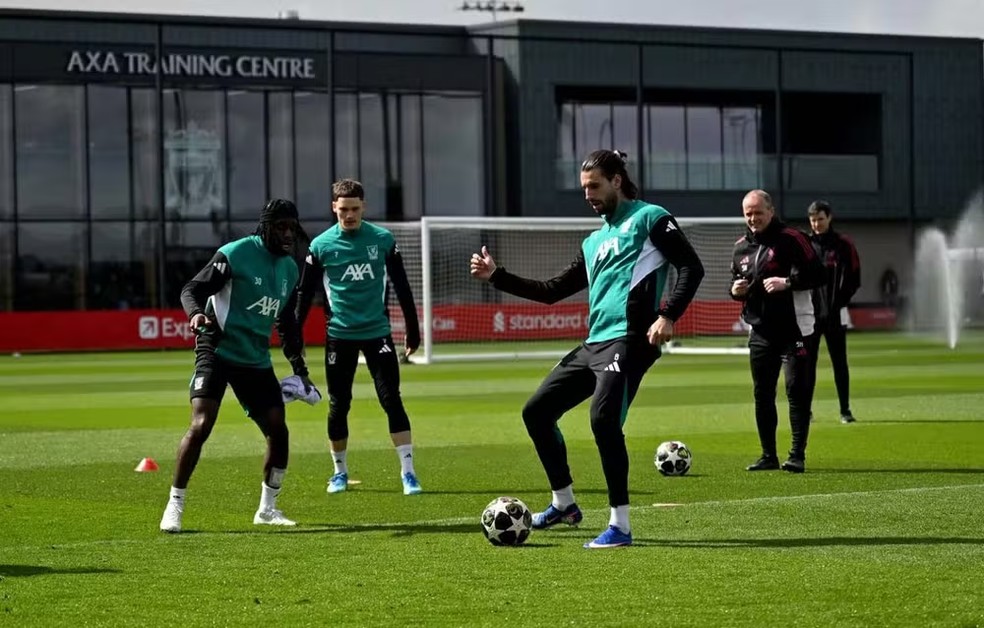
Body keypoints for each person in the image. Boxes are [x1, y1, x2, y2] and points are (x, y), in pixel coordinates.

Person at [470, 150, 705, 549]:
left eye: (594, 186)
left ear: (617, 181)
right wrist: (497, 276)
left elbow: (691, 267)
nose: (588, 195)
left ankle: (620, 526)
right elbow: (553, 291)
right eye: (583, 188)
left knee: (603, 419)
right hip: (594, 342)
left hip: (630, 339)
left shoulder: (650, 218)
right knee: (536, 412)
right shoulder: (594, 240)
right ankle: (564, 504)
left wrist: (667, 315)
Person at [159, 199, 313, 533]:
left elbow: (287, 323)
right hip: (217, 347)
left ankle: (268, 509)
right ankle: (175, 505)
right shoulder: (235, 253)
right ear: (265, 227)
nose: (288, 234)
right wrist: (196, 314)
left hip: (254, 358)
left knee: (278, 430)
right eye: (281, 227)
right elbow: (192, 289)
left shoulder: (290, 268)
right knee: (202, 423)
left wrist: (300, 370)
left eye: (292, 227)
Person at [296, 178, 423, 496]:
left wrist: (413, 328)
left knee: (391, 399)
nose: (349, 215)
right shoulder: (320, 245)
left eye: (354, 208)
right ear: (334, 208)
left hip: (377, 334)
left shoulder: (383, 239)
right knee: (339, 405)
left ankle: (409, 474)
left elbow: (402, 286)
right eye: (343, 210)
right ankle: (339, 473)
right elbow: (305, 293)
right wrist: (295, 336)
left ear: (363, 206)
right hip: (339, 336)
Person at [730, 190, 825, 473]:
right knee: (762, 393)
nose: (753, 218)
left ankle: (797, 455)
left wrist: (788, 282)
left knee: (796, 390)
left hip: (795, 328)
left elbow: (819, 274)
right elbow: (736, 282)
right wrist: (735, 290)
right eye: (748, 213)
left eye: (758, 212)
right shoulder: (740, 247)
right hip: (760, 330)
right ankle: (768, 455)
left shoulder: (793, 238)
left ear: (771, 211)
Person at [806, 200, 861, 423]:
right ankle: (806, 411)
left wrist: (840, 302)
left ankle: (845, 410)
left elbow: (855, 277)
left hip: (836, 314)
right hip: (810, 315)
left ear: (829, 218)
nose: (816, 224)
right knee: (807, 364)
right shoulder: (805, 244)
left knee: (840, 362)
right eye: (813, 220)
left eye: (820, 219)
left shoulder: (843, 244)